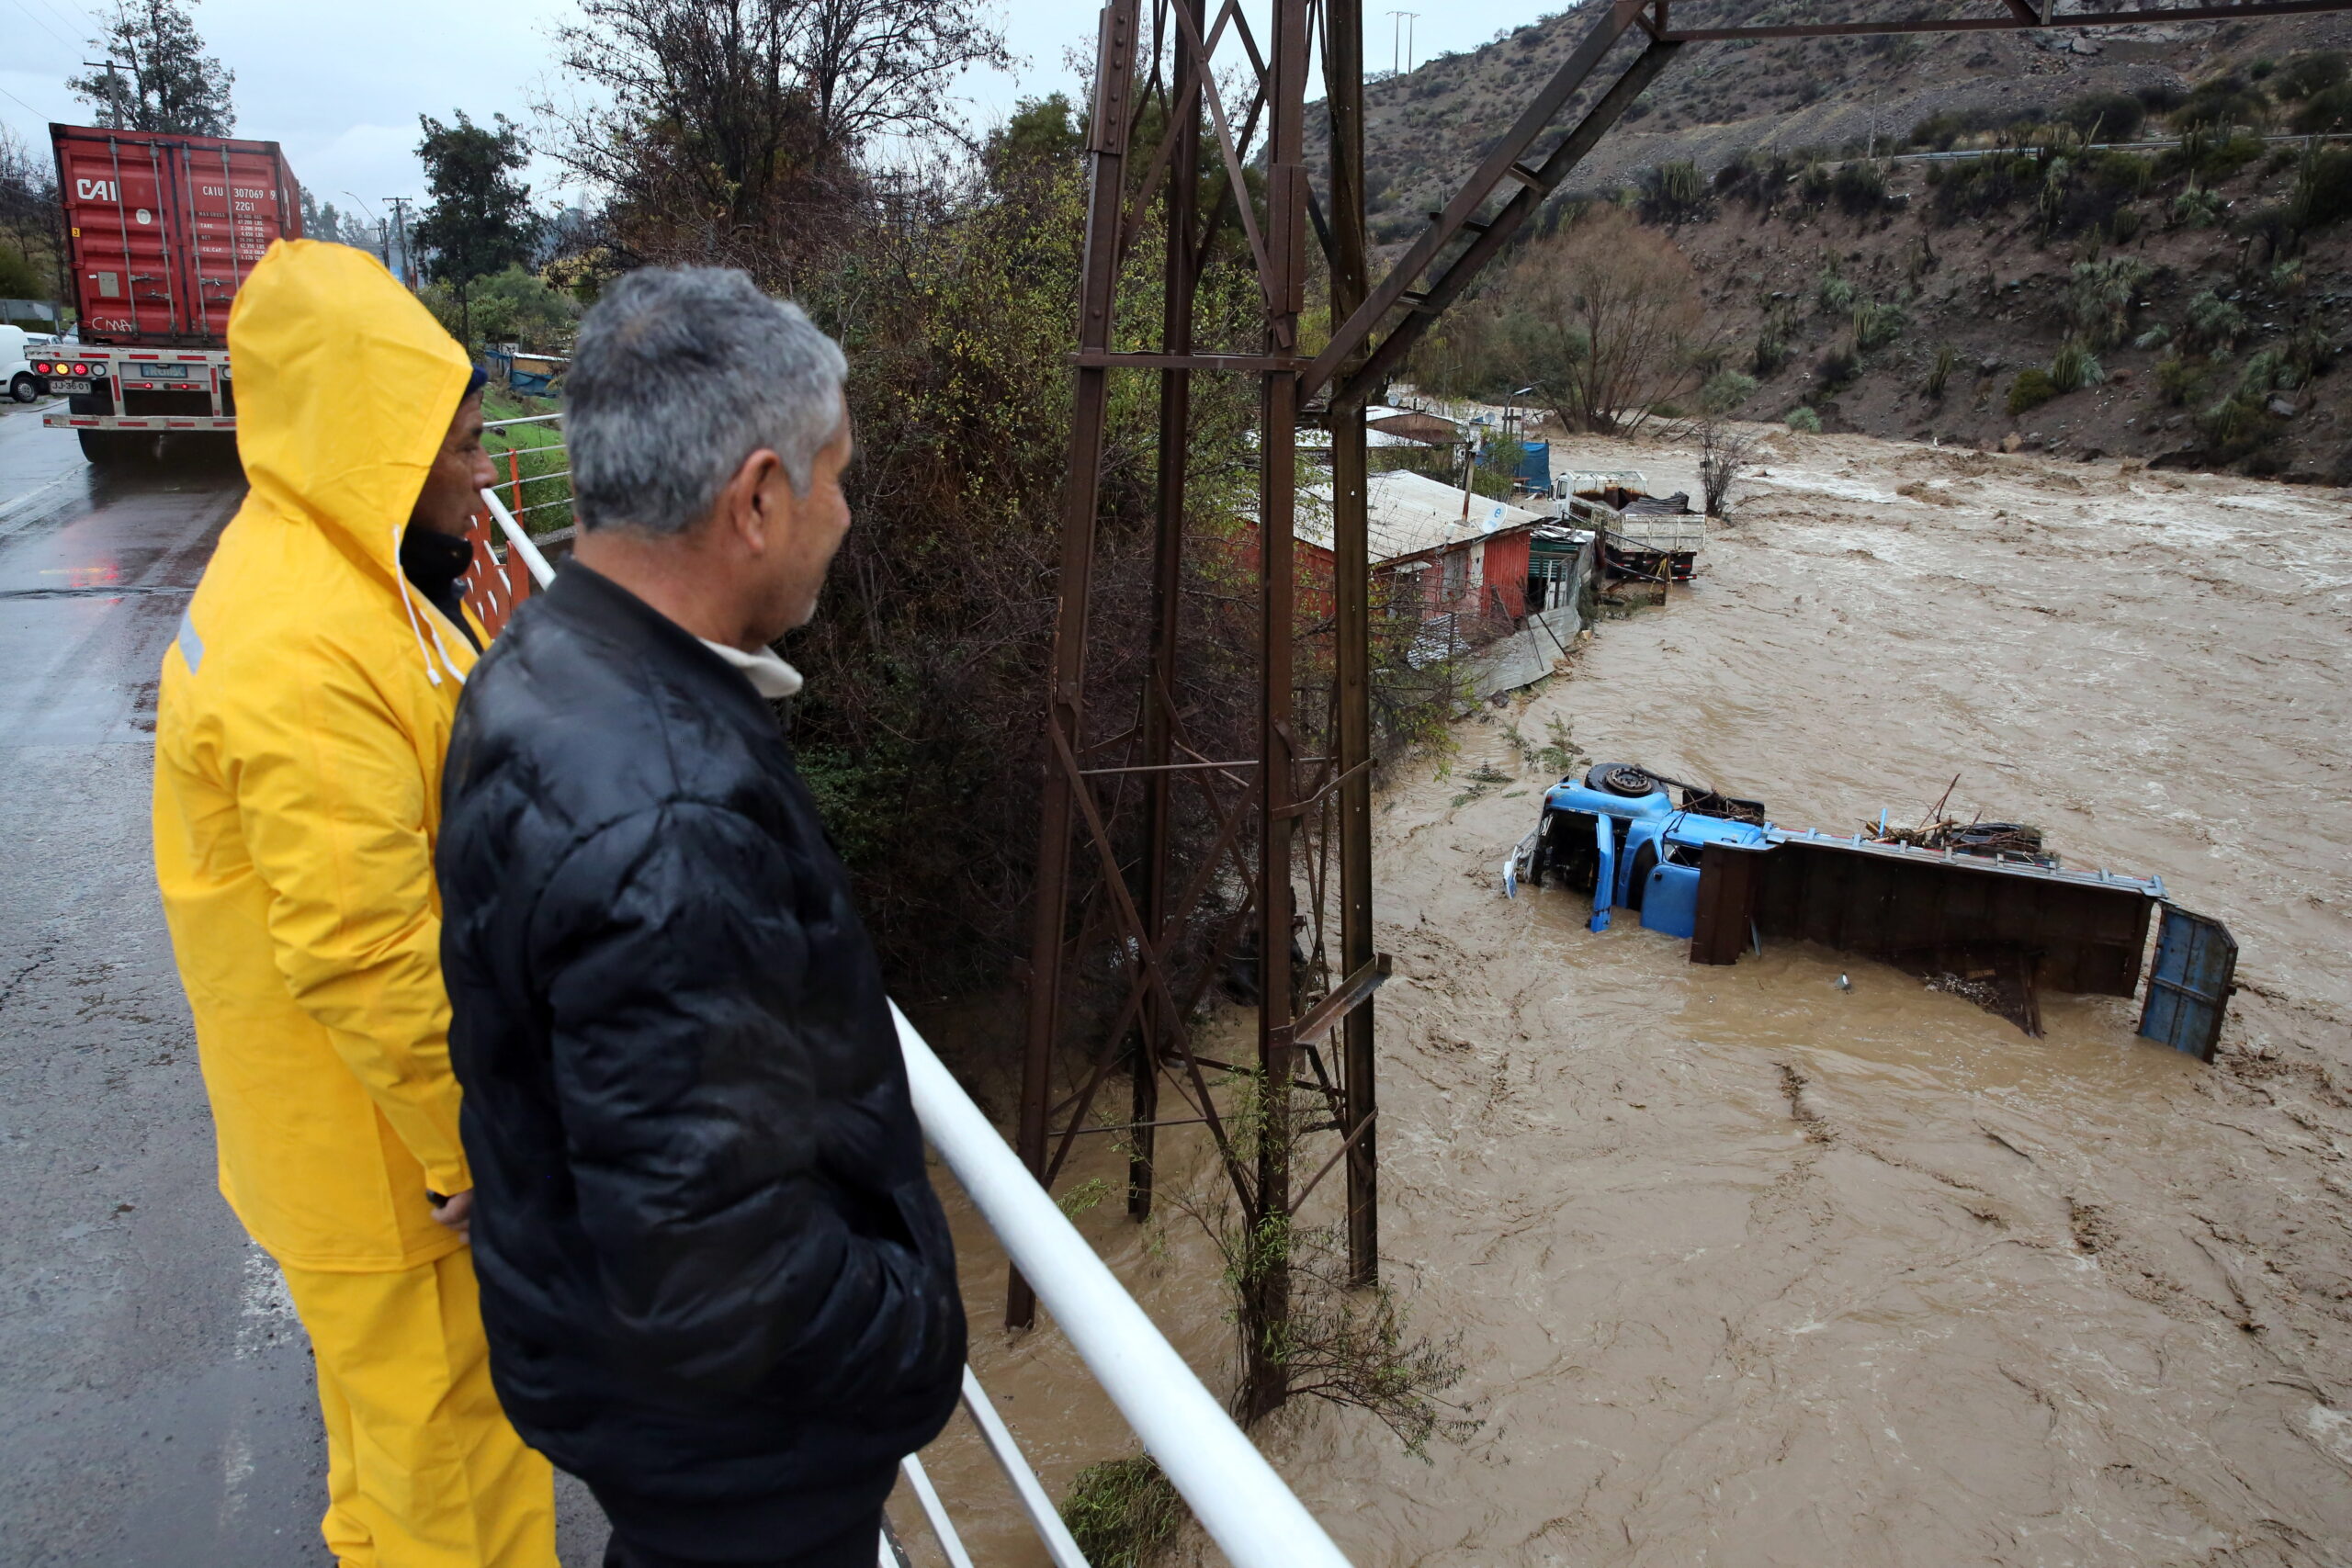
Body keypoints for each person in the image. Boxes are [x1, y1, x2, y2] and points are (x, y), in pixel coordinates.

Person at [436, 267, 967, 1568]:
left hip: (635, 1413)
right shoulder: (666, 809)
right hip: (742, 1470)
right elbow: (718, 1264)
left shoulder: (545, 660)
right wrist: (919, 1331)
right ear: (758, 500)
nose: (844, 514)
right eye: (834, 476)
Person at [151, 239, 558, 1566]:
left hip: (340, 1143)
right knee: (459, 1498)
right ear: (371, 445)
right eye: (461, 446)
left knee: (395, 1472)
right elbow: (365, 946)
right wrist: (477, 1149)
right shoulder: (310, 650)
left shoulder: (328, 567)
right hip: (391, 1171)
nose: (485, 474)